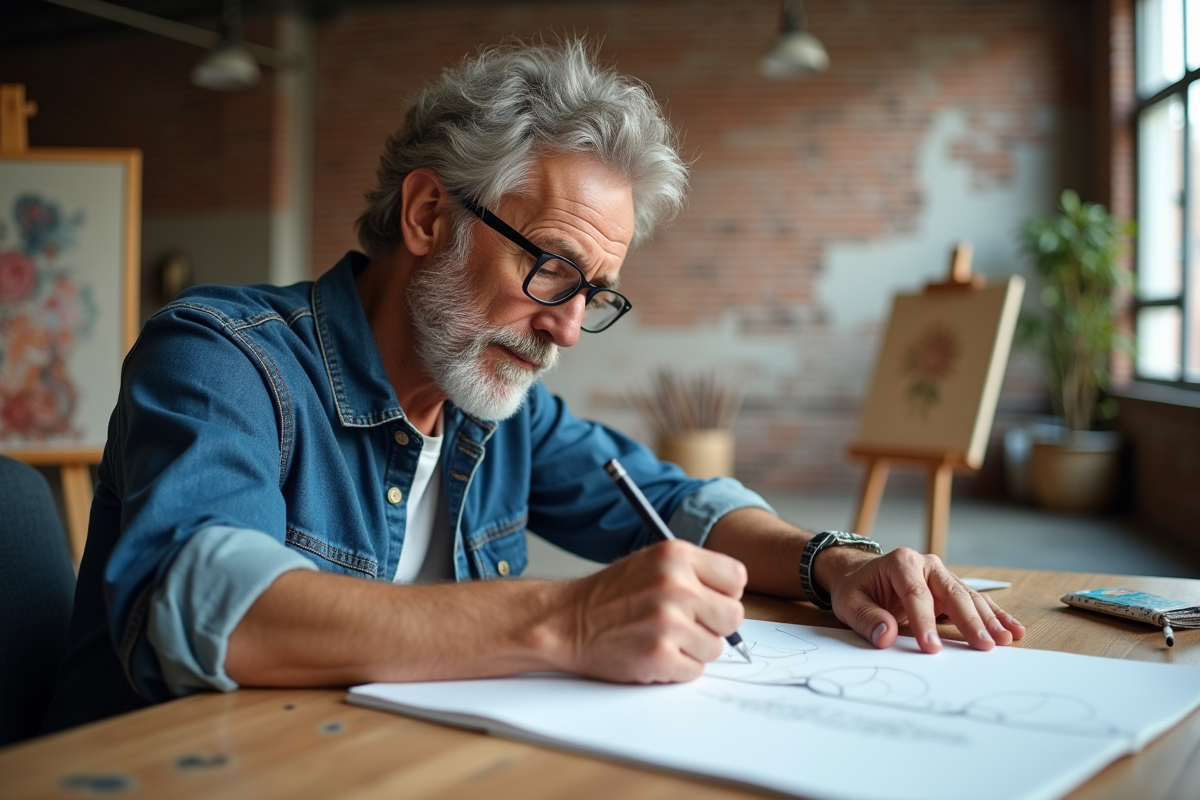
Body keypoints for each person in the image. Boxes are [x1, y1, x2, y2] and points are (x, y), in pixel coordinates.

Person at [43, 39, 1024, 732]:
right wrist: (571, 618)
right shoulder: (220, 354)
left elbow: (681, 502)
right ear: (429, 213)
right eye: (551, 268)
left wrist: (831, 562)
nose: (564, 326)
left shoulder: (494, 404)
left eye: (594, 293)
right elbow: (210, 607)